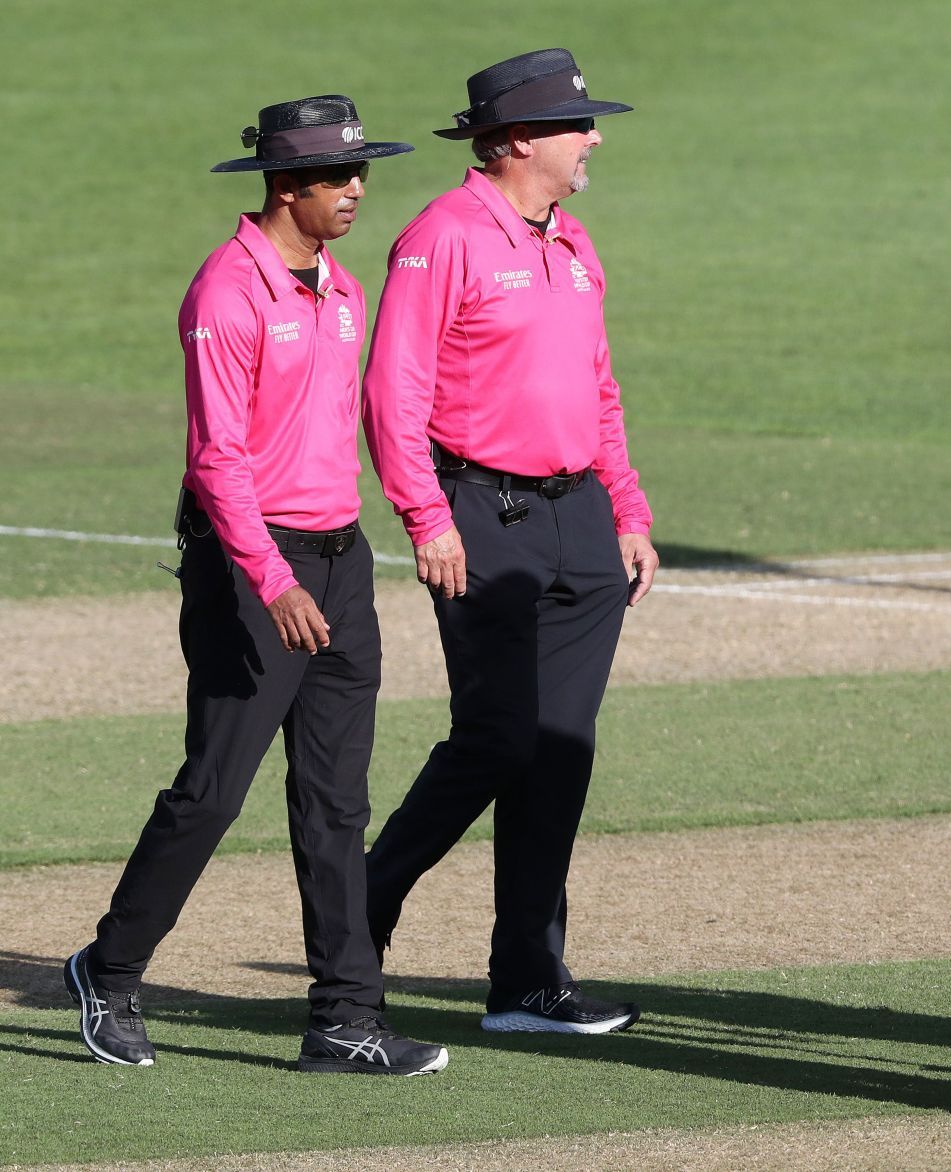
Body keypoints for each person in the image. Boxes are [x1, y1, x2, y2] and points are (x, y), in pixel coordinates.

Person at [64, 96, 448, 1075]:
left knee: (337, 802)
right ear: (288, 187)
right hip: (250, 571)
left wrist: (405, 522)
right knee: (212, 792)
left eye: (362, 173)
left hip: (339, 564)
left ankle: (345, 1018)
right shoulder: (226, 294)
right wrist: (271, 579)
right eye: (341, 178)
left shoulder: (346, 290)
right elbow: (217, 459)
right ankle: (107, 971)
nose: (358, 191)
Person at [361, 48, 657, 1035]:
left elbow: (600, 389)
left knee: (560, 749)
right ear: (519, 140)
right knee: (497, 735)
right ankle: (358, 915)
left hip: (581, 520)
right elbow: (392, 389)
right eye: (578, 125)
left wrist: (629, 508)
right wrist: (425, 513)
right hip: (481, 513)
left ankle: (527, 977)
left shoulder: (574, 242)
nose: (594, 139)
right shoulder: (440, 237)